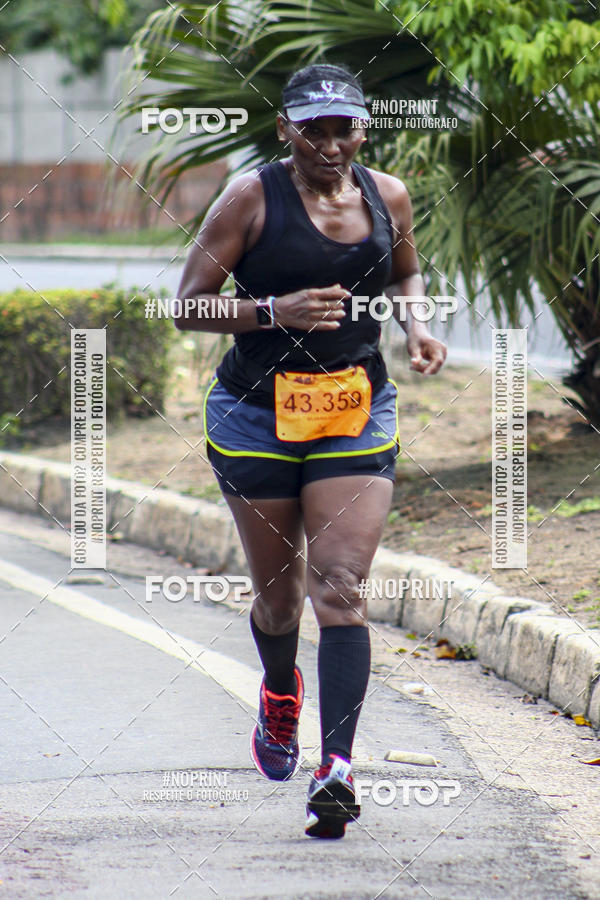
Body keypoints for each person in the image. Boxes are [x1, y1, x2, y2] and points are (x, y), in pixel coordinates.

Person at [175, 62, 447, 839]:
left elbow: (406, 272)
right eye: (313, 129)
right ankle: (278, 689)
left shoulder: (387, 195)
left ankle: (337, 768)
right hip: (256, 415)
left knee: (341, 589)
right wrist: (273, 310)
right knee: (280, 598)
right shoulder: (250, 199)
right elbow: (187, 305)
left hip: (353, 411)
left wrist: (416, 325)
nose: (331, 144)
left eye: (344, 129)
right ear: (286, 130)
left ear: (364, 128)